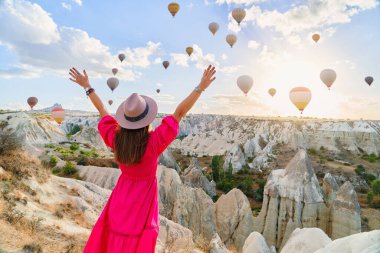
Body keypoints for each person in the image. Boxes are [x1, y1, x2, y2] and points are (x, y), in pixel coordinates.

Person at [68, 65, 216, 253]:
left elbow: (102, 110)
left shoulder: (116, 139)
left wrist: (87, 86)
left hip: (120, 200)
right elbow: (179, 113)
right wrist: (200, 87)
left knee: (113, 240)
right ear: (146, 120)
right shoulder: (154, 143)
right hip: (142, 205)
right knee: (137, 244)